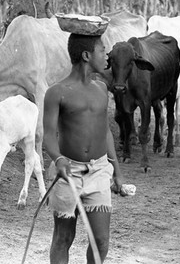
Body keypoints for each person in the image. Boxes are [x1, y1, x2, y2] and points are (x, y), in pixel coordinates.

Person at [43, 31, 124, 264]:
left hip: (99, 171)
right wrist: (58, 160)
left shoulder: (101, 90)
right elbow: (49, 136)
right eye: (102, 50)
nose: (107, 55)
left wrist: (117, 172)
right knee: (64, 236)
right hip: (68, 173)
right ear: (87, 55)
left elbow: (106, 131)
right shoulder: (57, 92)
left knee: (100, 240)